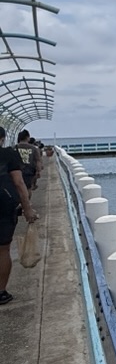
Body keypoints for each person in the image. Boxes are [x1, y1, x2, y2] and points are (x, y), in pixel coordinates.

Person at [0, 126, 37, 305]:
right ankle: (1, 292)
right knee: (3, 249)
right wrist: (27, 208)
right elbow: (18, 182)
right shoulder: (8, 155)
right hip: (4, 205)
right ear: (2, 138)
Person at [16, 130, 41, 196]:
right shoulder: (33, 148)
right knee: (28, 188)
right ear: (27, 138)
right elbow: (38, 160)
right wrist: (38, 171)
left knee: (17, 188)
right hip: (29, 171)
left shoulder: (14, 148)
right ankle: (27, 202)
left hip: (16, 170)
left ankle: (21, 202)